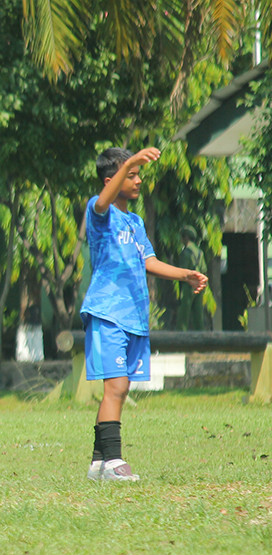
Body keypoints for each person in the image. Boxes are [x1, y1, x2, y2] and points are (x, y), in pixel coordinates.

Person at [81, 147, 208, 481]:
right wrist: (132, 161)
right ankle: (114, 462)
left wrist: (185, 274)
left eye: (138, 175)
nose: (138, 181)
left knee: (119, 388)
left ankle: (98, 463)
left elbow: (148, 262)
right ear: (112, 180)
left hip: (133, 317)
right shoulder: (100, 214)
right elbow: (100, 202)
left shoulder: (135, 222)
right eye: (131, 175)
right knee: (117, 387)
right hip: (108, 312)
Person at [175, 225, 207, 330]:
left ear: (185, 237)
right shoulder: (200, 252)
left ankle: (179, 342)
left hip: (188, 286)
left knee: (183, 317)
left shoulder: (185, 252)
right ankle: (202, 341)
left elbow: (182, 273)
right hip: (199, 286)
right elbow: (204, 269)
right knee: (198, 316)